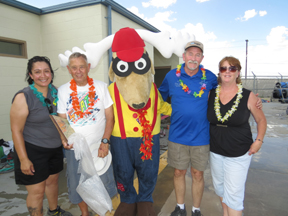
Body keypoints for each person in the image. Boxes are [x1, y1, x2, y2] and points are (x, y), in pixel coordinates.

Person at [159, 41, 217, 216]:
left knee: (198, 174)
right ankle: (180, 207)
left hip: (201, 136)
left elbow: (226, 93)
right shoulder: (171, 76)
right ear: (184, 57)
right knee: (178, 172)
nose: (193, 58)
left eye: (197, 54)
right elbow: (158, 98)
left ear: (202, 58)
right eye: (190, 54)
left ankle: (196, 210)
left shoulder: (210, 77)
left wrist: (250, 99)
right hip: (177, 135)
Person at [10, 56, 72, 216]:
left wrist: (66, 138)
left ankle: (54, 211)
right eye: (37, 72)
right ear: (30, 75)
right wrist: (24, 159)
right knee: (37, 191)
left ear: (51, 73)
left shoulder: (57, 92)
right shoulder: (23, 97)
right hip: (32, 150)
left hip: (54, 148)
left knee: (52, 183)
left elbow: (61, 120)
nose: (43, 75)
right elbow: (16, 130)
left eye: (46, 71)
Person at [57, 52, 117, 216]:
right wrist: (64, 139)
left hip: (99, 146)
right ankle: (85, 213)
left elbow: (110, 117)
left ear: (88, 67)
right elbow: (62, 121)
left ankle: (104, 211)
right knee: (79, 184)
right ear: (69, 69)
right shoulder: (63, 90)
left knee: (104, 182)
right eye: (74, 67)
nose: (78, 71)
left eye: (81, 67)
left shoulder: (101, 87)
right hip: (75, 149)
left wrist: (105, 141)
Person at [207, 56, 267, 216]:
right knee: (220, 189)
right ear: (219, 72)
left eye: (232, 68)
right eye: (223, 68)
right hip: (216, 151)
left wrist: (259, 141)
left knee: (233, 195)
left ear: (238, 72)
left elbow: (261, 120)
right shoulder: (210, 94)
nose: (227, 71)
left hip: (239, 153)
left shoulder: (248, 96)